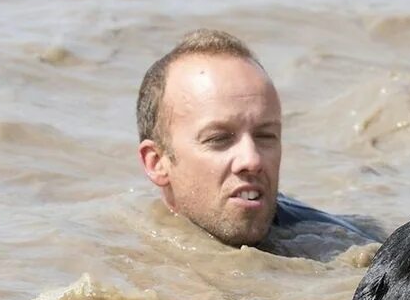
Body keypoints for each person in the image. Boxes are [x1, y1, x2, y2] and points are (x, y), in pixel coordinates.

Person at [136, 28, 378, 249]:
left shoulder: (343, 245)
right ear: (157, 163)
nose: (252, 160)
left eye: (265, 136)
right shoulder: (122, 263)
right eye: (219, 138)